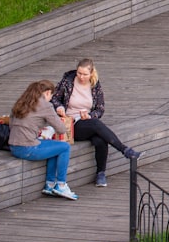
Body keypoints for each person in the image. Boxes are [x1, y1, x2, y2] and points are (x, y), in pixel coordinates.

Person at [53, 59, 143, 187]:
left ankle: (101, 174)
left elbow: (100, 109)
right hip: (70, 124)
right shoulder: (67, 82)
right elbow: (54, 98)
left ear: (91, 73)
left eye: (84, 74)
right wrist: (59, 108)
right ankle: (125, 150)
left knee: (100, 139)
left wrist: (89, 115)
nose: (81, 77)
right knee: (95, 124)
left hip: (87, 122)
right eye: (79, 73)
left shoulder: (95, 85)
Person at [8, 79, 78, 200]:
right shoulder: (45, 105)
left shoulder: (22, 103)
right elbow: (61, 129)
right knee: (64, 147)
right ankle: (61, 185)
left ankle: (50, 185)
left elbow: (12, 124)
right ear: (47, 93)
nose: (51, 98)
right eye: (51, 95)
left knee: (54, 147)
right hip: (28, 148)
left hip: (14, 147)